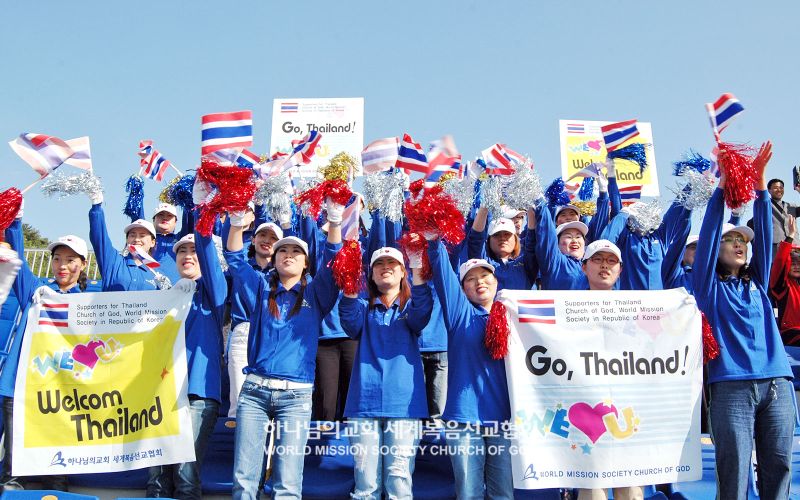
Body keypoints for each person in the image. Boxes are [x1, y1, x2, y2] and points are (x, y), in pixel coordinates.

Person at [693, 141, 795, 499]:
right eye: (731, 240)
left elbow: (765, 235)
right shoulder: (707, 288)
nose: (740, 244)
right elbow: (708, 234)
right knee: (734, 470)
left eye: (742, 241)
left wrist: (761, 184)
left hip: (777, 383)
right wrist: (722, 185)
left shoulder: (758, 283)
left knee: (779, 466)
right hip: (731, 387)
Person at [224, 198, 343, 499]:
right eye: (282, 251)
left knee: (288, 483)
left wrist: (335, 222)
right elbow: (235, 259)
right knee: (244, 479)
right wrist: (236, 224)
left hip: (296, 397)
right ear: (274, 259)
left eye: (295, 252)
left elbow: (333, 259)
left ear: (306, 263)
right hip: (255, 392)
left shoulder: (316, 293)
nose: (288, 255)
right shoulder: (261, 288)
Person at [1, 210, 88, 492]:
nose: (62, 266)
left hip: (62, 392)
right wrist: (15, 221)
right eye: (57, 258)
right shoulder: (36, 291)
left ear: (83, 264)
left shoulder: (90, 302)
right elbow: (19, 260)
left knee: (57, 466)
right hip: (21, 385)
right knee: (14, 464)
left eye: (70, 260)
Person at [338, 246, 432, 499]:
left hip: (404, 407)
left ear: (402, 272)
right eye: (379, 264)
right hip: (363, 405)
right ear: (371, 274)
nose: (385, 267)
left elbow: (423, 310)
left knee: (399, 486)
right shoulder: (362, 308)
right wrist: (349, 280)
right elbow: (349, 322)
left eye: (392, 263)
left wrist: (417, 265)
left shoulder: (410, 308)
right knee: (365, 487)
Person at [426, 234, 513, 499]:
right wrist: (433, 241)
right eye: (471, 279)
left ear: (496, 282)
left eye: (485, 276)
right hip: (464, 420)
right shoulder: (460, 314)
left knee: (503, 494)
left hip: (503, 419)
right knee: (469, 494)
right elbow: (442, 271)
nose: (479, 282)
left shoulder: (512, 317)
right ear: (463, 289)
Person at [146, 229, 227, 499]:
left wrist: (203, 224)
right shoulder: (165, 297)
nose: (188, 255)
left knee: (185, 475)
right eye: (182, 250)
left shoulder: (213, 293)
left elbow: (210, 259)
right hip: (162, 393)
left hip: (198, 394)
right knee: (157, 479)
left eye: (194, 251)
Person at [575, 240, 643, 500]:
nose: (605, 266)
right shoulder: (567, 308)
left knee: (631, 491)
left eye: (611, 261)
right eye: (597, 260)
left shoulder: (637, 309)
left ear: (620, 269)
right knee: (593, 492)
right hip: (587, 414)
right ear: (584, 267)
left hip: (627, 412)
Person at [224, 218, 284, 417]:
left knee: (272, 400)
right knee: (239, 402)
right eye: (262, 235)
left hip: (274, 333)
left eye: (273, 238)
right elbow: (232, 254)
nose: (267, 240)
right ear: (253, 239)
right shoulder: (242, 268)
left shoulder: (284, 274)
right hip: (244, 331)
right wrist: (236, 221)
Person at [88, 190, 165, 291]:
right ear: (127, 239)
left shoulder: (157, 274)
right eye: (132, 235)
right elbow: (99, 237)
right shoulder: (113, 261)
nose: (137, 239)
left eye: (142, 236)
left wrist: (168, 290)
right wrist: (96, 207)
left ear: (152, 242)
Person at [468, 208, 538, 291]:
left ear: (515, 239)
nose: (502, 238)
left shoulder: (525, 263)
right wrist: (484, 208)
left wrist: (530, 207)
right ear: (488, 241)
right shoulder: (483, 263)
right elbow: (476, 239)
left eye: (507, 234)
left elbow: (532, 240)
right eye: (496, 234)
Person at [532, 203, 589, 290]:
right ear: (557, 243)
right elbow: (546, 233)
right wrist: (540, 203)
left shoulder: (591, 264)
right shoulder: (554, 262)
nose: (575, 241)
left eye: (578, 237)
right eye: (569, 237)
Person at [748, 177, 800, 258]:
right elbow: (751, 224)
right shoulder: (765, 205)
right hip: (775, 248)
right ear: (769, 190)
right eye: (775, 188)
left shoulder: (792, 206)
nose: (779, 190)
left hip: (795, 246)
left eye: (781, 188)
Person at [769, 214, 800, 346]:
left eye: (799, 263)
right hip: (789, 332)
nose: (796, 266)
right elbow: (780, 263)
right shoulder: (782, 286)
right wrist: (791, 235)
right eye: (793, 263)